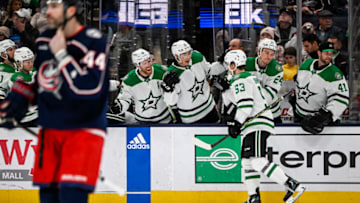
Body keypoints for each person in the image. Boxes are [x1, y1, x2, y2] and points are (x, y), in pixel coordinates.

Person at [0, 1, 109, 203]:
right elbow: (46, 82)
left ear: (71, 11)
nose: (47, 11)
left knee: (70, 197)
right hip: (51, 132)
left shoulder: (93, 41)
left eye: (54, 7)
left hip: (81, 132)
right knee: (49, 197)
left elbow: (90, 88)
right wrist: (19, 99)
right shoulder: (44, 42)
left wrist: (62, 55)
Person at [223, 49, 305, 203]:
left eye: (228, 65)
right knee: (247, 162)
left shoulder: (241, 79)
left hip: (257, 124)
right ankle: (253, 197)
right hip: (255, 124)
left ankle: (291, 184)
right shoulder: (246, 78)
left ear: (234, 65)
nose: (227, 68)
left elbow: (246, 105)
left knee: (256, 160)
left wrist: (236, 123)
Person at [162, 39, 225, 123]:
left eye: (189, 53)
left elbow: (210, 71)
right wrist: (168, 90)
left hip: (210, 109)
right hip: (190, 118)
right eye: (184, 54)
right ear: (176, 56)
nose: (188, 56)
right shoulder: (171, 74)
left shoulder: (197, 57)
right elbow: (171, 102)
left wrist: (223, 63)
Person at [295, 42, 349, 134]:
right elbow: (299, 82)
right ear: (319, 53)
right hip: (299, 117)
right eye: (326, 53)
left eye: (331, 53)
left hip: (318, 121)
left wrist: (326, 115)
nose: (329, 56)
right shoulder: (306, 64)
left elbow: (341, 99)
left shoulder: (335, 74)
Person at [115, 48, 173, 123]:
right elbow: (125, 99)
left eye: (149, 61)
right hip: (142, 122)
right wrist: (120, 106)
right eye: (144, 63)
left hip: (164, 119)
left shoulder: (162, 71)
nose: (148, 65)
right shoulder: (128, 80)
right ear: (137, 65)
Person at [246, 38, 283, 123]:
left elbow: (269, 94)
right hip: (250, 110)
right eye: (266, 53)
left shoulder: (276, 69)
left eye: (272, 54)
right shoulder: (246, 63)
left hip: (272, 112)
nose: (269, 57)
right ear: (259, 51)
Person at [10, 46, 37, 126]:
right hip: (26, 117)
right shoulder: (17, 77)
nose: (31, 64)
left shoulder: (32, 71)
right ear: (19, 63)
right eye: (27, 62)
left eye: (32, 61)